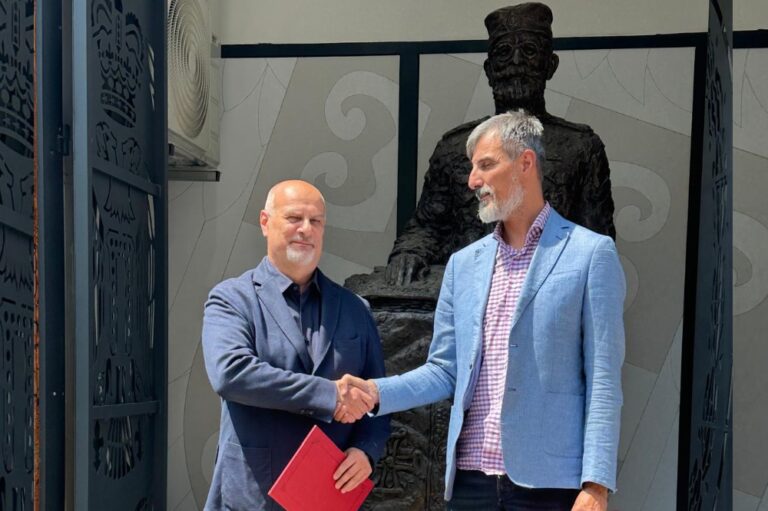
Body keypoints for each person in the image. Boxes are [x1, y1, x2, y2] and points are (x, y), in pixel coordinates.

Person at [343, 111, 625, 511]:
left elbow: (603, 378)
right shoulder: (463, 264)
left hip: (550, 486)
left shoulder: (591, 254)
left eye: (486, 165)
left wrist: (596, 484)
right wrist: (375, 392)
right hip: (469, 483)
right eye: (472, 168)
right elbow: (444, 371)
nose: (473, 181)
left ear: (525, 162)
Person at [386, 2, 616, 286]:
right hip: (469, 288)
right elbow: (427, 225)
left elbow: (596, 240)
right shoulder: (455, 147)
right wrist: (408, 253)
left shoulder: (581, 148)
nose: (516, 62)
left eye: (529, 51)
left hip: (547, 289)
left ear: (550, 65)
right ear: (489, 69)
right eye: (504, 53)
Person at [201, 180, 390, 510]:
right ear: (265, 222)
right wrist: (328, 395)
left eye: (315, 221)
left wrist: (367, 451)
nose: (306, 229)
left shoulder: (355, 308)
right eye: (294, 218)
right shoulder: (232, 299)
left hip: (328, 494)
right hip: (254, 494)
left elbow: (377, 396)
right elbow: (231, 374)